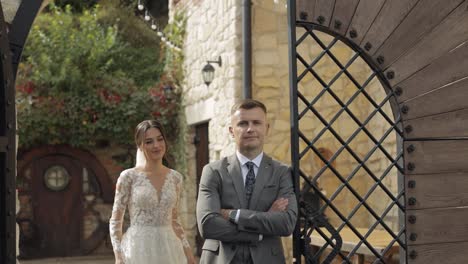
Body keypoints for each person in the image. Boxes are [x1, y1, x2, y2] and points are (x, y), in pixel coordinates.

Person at [196, 99, 298, 264]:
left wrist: (234, 214)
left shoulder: (281, 173)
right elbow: (208, 224)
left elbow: (286, 224)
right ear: (231, 131)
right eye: (243, 123)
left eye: (257, 123)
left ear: (267, 128)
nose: (250, 129)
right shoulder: (213, 171)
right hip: (220, 259)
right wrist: (261, 227)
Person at [109, 120, 195, 264]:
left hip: (170, 249)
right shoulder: (128, 177)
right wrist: (118, 256)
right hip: (138, 249)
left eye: (160, 139)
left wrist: (188, 252)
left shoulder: (175, 178)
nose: (156, 145)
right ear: (140, 145)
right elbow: (116, 221)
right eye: (149, 142)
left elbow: (174, 220)